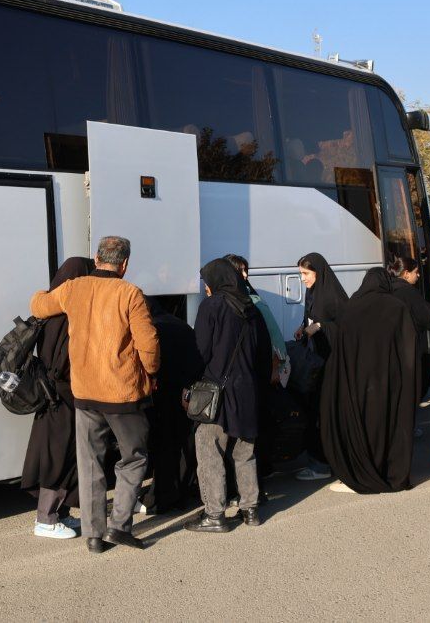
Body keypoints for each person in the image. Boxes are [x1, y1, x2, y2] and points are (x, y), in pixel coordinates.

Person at [29, 236, 159, 554]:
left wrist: (41, 293)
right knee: (133, 459)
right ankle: (119, 526)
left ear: (97, 258)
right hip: (123, 395)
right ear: (124, 264)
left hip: (84, 393)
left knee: (90, 464)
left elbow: (38, 306)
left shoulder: (75, 288)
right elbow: (149, 345)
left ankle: (93, 535)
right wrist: (151, 374)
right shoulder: (130, 293)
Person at [185, 258, 273, 532]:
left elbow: (199, 351)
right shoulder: (251, 308)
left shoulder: (212, 307)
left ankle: (214, 514)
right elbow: (263, 354)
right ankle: (250, 510)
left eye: (207, 282)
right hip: (247, 392)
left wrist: (189, 385)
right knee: (245, 452)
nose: (206, 288)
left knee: (209, 449)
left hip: (217, 393)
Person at [319, 264, 419, 493]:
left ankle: (361, 470)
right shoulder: (397, 307)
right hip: (390, 379)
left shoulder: (353, 306)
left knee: (363, 424)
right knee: (388, 422)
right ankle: (389, 471)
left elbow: (341, 346)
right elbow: (409, 348)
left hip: (358, 381)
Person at [21, 256, 93, 539]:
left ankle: (61, 513)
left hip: (52, 395)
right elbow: (65, 360)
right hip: (62, 396)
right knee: (59, 456)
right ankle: (46, 519)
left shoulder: (50, 309)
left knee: (57, 453)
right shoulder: (66, 315)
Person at [142, 296, 202, 514]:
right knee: (184, 443)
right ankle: (182, 492)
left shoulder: (154, 329)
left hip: (168, 394)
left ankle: (162, 497)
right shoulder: (177, 323)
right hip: (189, 392)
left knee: (165, 446)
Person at [293, 252, 349, 481]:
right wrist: (302, 328)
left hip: (331, 365)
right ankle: (319, 461)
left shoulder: (332, 297)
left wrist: (320, 327)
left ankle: (325, 464)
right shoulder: (313, 293)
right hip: (316, 363)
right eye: (301, 275)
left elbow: (344, 326)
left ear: (319, 271)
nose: (303, 279)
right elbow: (311, 318)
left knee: (325, 414)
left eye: (306, 273)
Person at [225, 254, 290, 387]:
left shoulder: (254, 302)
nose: (245, 275)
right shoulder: (226, 300)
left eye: (245, 270)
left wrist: (276, 367)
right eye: (240, 271)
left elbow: (274, 338)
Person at [387, 251, 430, 403]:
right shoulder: (409, 292)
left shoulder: (388, 288)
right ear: (406, 274)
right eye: (416, 272)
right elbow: (424, 316)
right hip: (410, 345)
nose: (418, 276)